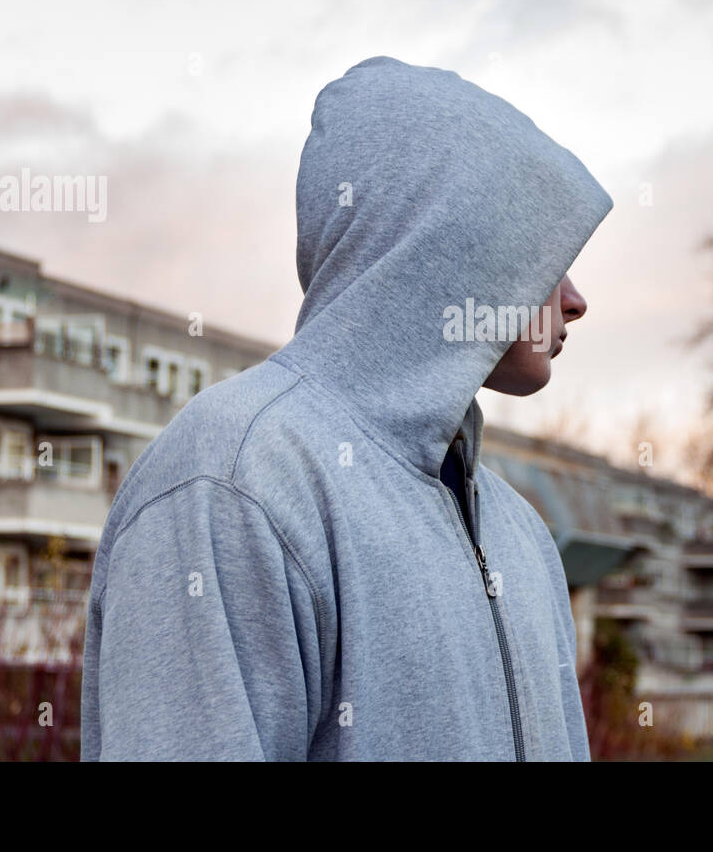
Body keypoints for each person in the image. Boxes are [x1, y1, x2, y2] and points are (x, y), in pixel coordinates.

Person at [81, 55, 614, 760]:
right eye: (542, 254)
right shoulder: (237, 481)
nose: (575, 298)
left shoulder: (523, 535)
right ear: (449, 245)